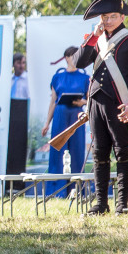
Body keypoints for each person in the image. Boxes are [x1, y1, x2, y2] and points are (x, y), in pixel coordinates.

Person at [72, 0, 128, 215]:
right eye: (104, 17)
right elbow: (78, 62)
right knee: (99, 153)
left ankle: (121, 204)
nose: (107, 21)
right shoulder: (97, 41)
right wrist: (92, 36)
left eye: (112, 16)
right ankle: (100, 203)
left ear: (121, 16)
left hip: (119, 105)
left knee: (122, 152)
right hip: (96, 104)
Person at [40, 47, 89, 198]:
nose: (74, 59)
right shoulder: (58, 77)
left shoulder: (85, 78)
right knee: (56, 151)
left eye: (77, 56)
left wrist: (83, 101)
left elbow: (90, 99)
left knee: (77, 152)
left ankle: (77, 190)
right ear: (66, 57)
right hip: (60, 113)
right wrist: (47, 122)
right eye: (72, 56)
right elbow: (53, 101)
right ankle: (55, 190)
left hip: (77, 115)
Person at [6, 52, 30, 183]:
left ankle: (20, 182)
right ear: (13, 64)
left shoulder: (28, 80)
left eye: (23, 63)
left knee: (20, 149)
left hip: (22, 117)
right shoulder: (8, 79)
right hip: (10, 117)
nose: (21, 66)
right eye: (19, 63)